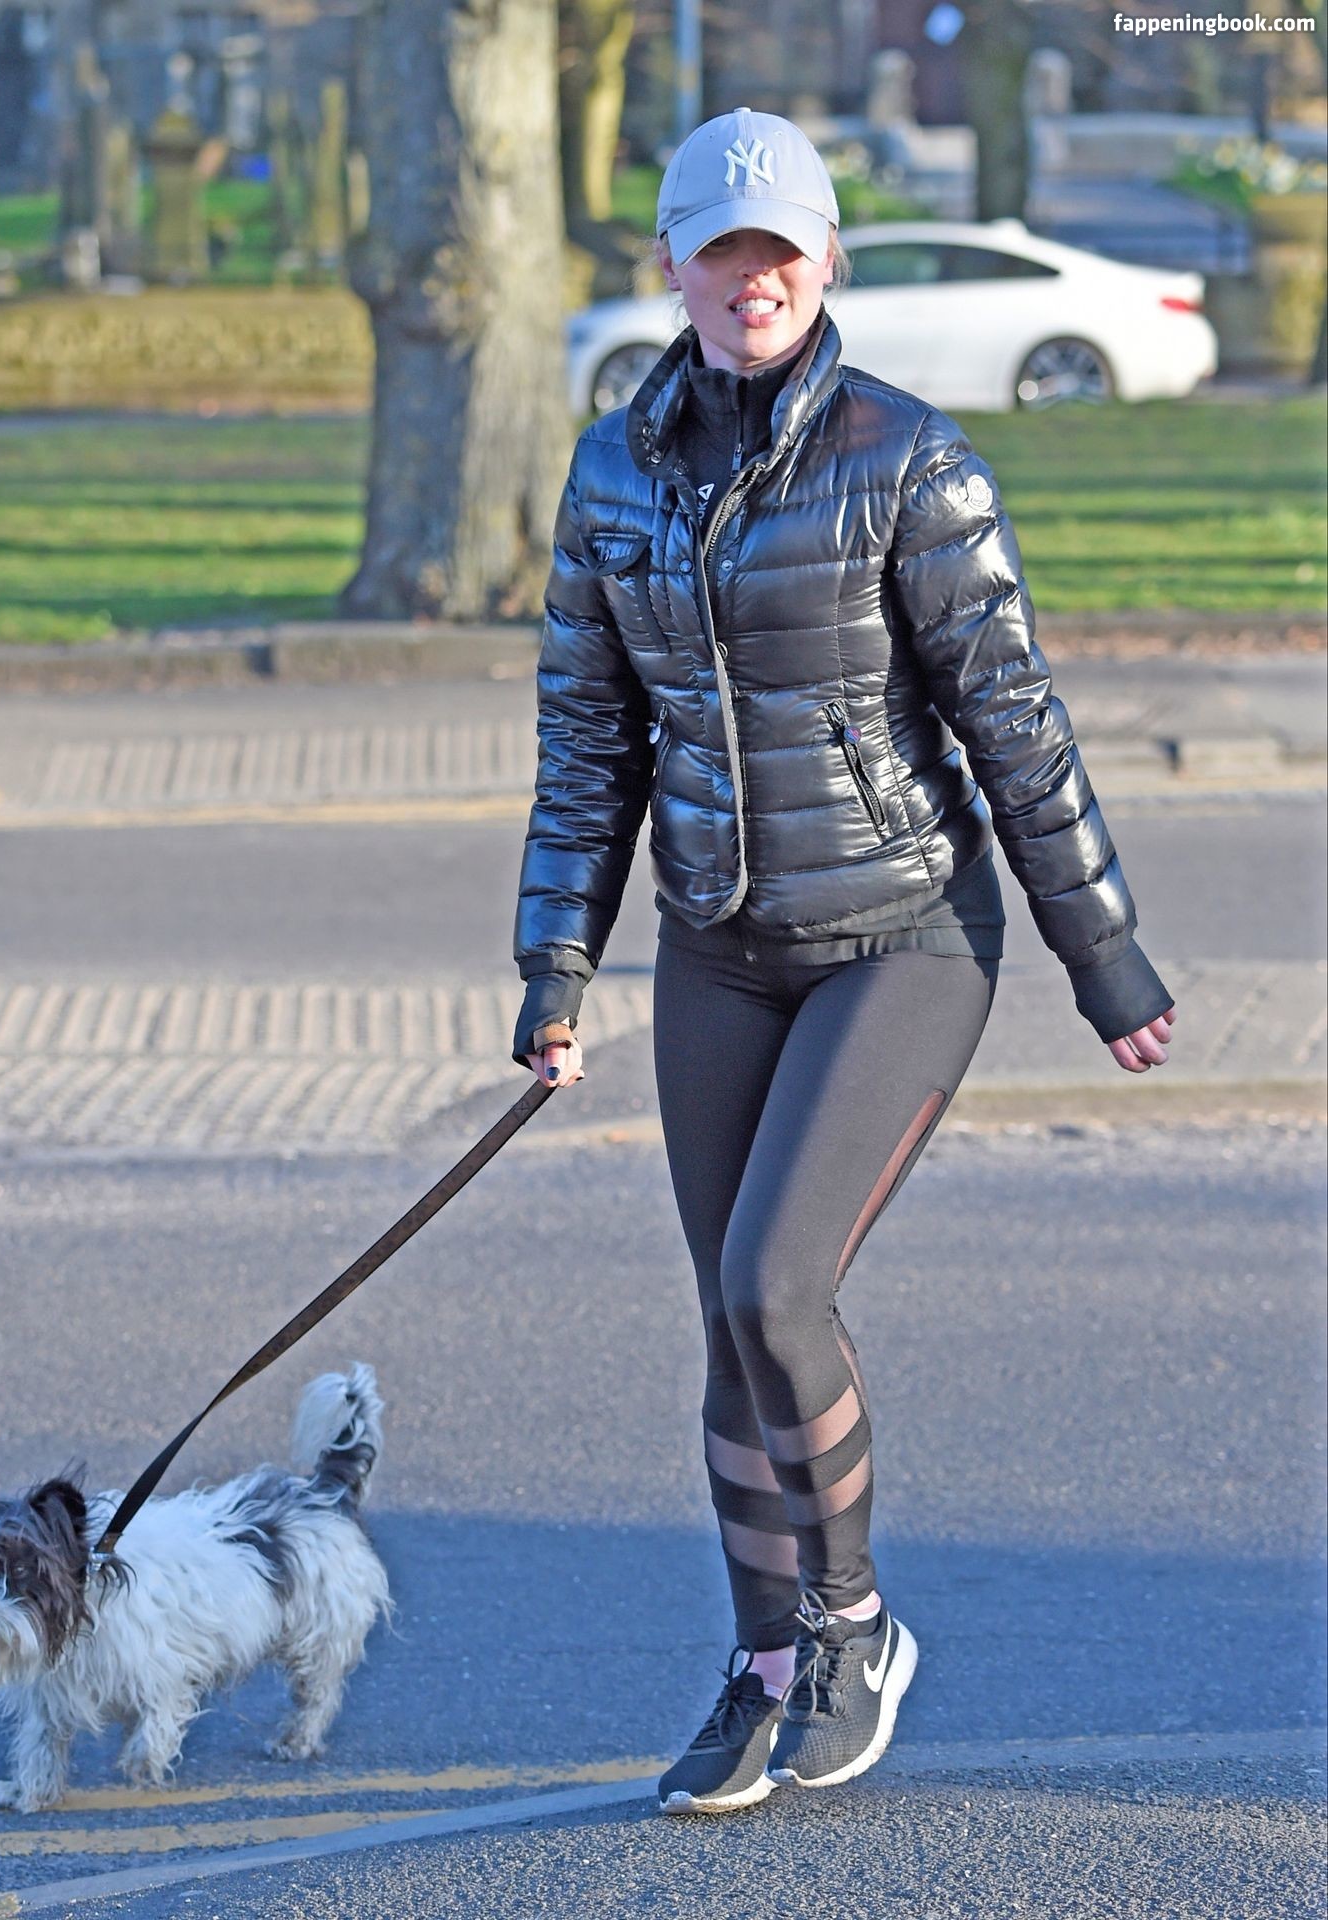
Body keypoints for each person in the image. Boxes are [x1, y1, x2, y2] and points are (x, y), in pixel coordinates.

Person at [511, 108, 1177, 1816]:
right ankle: (761, 1668)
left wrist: (1103, 957)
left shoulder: (912, 463)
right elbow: (589, 745)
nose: (754, 279)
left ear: (826, 265)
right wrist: (557, 969)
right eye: (721, 251)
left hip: (904, 935)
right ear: (674, 267)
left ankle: (855, 1628)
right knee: (726, 1333)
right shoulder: (612, 475)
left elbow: (1017, 727)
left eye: (780, 251)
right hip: (717, 945)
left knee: (773, 1287)